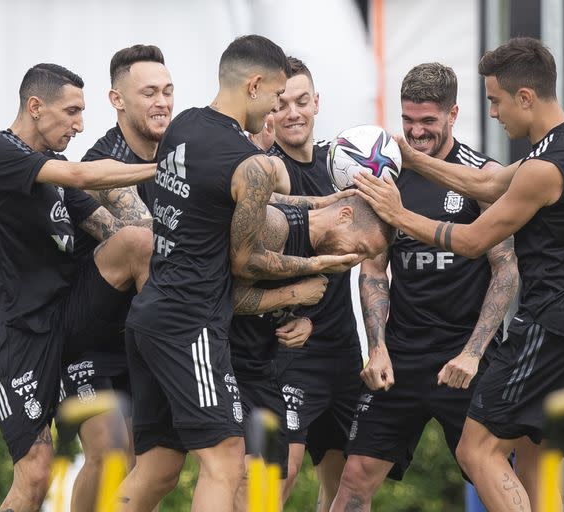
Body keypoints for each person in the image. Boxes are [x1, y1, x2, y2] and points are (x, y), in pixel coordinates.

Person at [354, 38, 564, 511]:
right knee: (536, 463)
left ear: (525, 98)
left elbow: (474, 240)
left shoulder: (546, 168)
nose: (493, 113)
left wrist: (397, 213)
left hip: (552, 331)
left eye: (496, 101)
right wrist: (411, 158)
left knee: (477, 449)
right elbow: (489, 181)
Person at [117, 35, 359, 512]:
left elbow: (227, 195)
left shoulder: (184, 126)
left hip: (149, 315)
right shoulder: (246, 160)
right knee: (227, 461)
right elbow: (247, 260)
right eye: (274, 97)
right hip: (191, 323)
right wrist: (317, 267)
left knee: (161, 466)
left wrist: (321, 201)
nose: (274, 112)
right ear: (254, 85)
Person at [0, 63, 156, 512]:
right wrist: (166, 166)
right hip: (11, 334)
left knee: (139, 241)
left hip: (66, 318)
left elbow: (111, 231)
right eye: (72, 112)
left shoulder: (57, 172)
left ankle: (166, 361)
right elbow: (84, 177)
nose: (80, 125)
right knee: (36, 472)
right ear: (35, 106)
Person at [330, 62, 519, 511]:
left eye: (428, 122)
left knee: (492, 474)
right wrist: (377, 346)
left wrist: (473, 354)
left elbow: (506, 270)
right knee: (354, 478)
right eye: (408, 121)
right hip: (403, 354)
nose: (415, 133)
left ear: (453, 114)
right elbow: (374, 270)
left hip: (465, 356)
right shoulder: (387, 172)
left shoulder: (480, 177)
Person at [58, 44, 173, 512]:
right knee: (110, 456)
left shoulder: (179, 161)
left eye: (168, 91)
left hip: (139, 341)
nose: (162, 101)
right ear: (117, 99)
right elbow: (149, 243)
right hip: (88, 341)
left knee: (158, 467)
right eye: (149, 92)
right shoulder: (99, 164)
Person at [230, 196, 395, 511]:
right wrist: (295, 291)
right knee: (233, 472)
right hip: (226, 359)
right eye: (360, 247)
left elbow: (273, 304)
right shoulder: (279, 225)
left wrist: (302, 318)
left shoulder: (325, 252)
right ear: (344, 214)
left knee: (274, 478)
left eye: (365, 256)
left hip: (268, 366)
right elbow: (224, 293)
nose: (355, 258)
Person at [262, 57, 370, 512]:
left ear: (317, 103)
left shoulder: (339, 165)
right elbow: (248, 262)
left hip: (343, 352)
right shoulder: (264, 172)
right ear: (269, 109)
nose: (293, 113)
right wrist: (291, 311)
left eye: (302, 101)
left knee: (351, 486)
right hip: (289, 354)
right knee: (276, 479)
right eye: (282, 103)